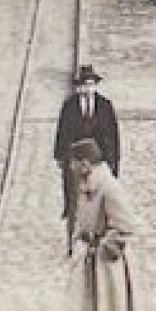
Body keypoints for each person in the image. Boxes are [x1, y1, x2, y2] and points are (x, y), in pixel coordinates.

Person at [64, 137, 138, 311]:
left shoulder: (109, 188)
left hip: (107, 266)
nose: (71, 168)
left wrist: (105, 245)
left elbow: (126, 226)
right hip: (90, 260)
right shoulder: (85, 185)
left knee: (109, 307)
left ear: (85, 164)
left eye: (73, 163)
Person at [53, 65, 121, 248]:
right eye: (83, 85)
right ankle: (72, 238)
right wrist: (60, 157)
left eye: (90, 84)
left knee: (102, 198)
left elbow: (114, 135)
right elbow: (62, 132)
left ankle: (101, 235)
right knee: (75, 199)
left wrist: (114, 163)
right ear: (78, 87)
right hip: (75, 161)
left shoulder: (105, 106)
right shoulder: (69, 106)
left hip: (99, 161)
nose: (87, 89)